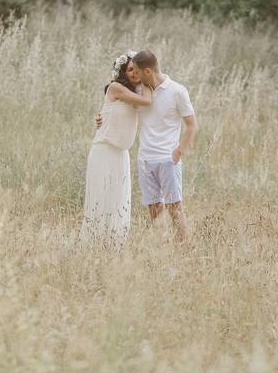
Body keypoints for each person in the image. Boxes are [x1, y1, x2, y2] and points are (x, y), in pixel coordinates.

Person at [97, 50, 198, 242]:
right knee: (154, 209)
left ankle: (185, 248)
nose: (133, 74)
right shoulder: (138, 91)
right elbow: (116, 111)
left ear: (148, 71)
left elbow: (191, 125)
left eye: (136, 70)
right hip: (145, 159)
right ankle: (162, 246)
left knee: (175, 207)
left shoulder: (177, 91)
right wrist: (101, 120)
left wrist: (178, 152)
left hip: (168, 159)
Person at [80, 51, 153, 247]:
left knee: (118, 202)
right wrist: (147, 80)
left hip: (121, 154)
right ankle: (93, 245)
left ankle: (114, 247)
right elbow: (147, 102)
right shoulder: (115, 88)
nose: (134, 73)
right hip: (104, 150)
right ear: (122, 71)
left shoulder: (137, 93)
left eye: (138, 69)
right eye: (130, 69)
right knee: (101, 200)